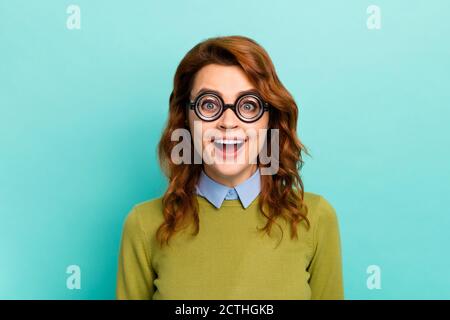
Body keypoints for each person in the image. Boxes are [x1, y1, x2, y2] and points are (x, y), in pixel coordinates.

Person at [116, 35, 344, 300]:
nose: (228, 122)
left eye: (248, 106)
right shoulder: (144, 224)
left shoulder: (315, 218)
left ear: (270, 119)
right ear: (186, 118)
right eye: (209, 104)